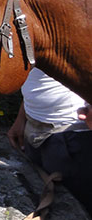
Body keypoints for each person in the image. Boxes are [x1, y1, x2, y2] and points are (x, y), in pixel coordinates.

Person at [8, 68, 92, 211]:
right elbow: (35, 73)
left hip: (69, 137)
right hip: (35, 134)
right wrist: (22, 118)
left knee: (79, 208)